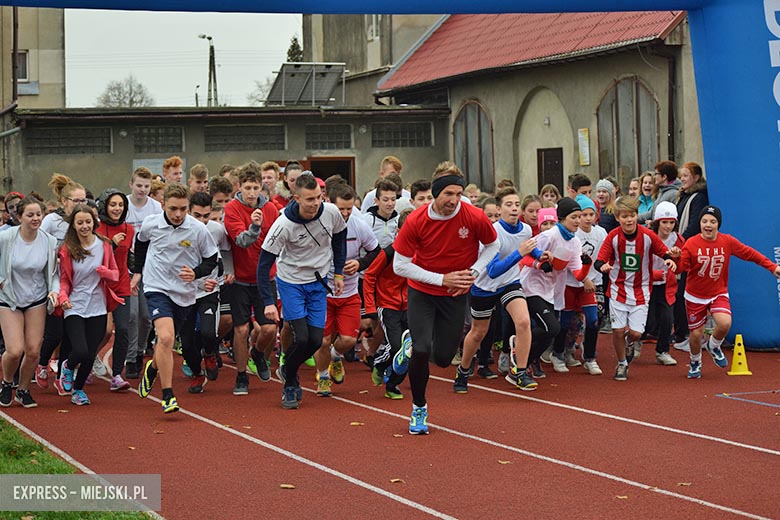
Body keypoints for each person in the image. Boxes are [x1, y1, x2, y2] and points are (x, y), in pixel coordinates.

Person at [392, 162, 499, 435]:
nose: (454, 200)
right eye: (448, 194)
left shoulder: (473, 216)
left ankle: (409, 346)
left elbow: (493, 245)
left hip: (455, 294)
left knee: (442, 358)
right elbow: (400, 266)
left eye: (458, 194)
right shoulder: (417, 220)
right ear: (436, 194)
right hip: (423, 292)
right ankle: (419, 407)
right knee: (422, 349)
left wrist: (473, 272)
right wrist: (441, 279)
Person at [257, 173, 347, 409]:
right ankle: (290, 383)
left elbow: (339, 239)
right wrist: (268, 301)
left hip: (318, 283)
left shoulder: (331, 212)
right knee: (302, 336)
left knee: (316, 340)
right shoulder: (282, 225)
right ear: (296, 198)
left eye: (318, 197)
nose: (315, 203)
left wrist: (338, 273)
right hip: (292, 283)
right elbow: (264, 264)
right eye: (309, 199)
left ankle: (287, 369)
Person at [132, 182, 219, 413]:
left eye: (183, 209)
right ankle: (168, 396)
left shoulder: (198, 230)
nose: (178, 214)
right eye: (173, 209)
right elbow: (140, 243)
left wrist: (195, 273)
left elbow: (212, 260)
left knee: (165, 341)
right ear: (163, 206)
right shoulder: (152, 224)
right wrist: (138, 272)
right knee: (167, 338)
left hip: (185, 294)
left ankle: (153, 367)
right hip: (156, 287)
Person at [678, 206, 780, 378]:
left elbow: (750, 253)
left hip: (718, 292)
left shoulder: (727, 241)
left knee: (725, 323)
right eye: (704, 221)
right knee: (696, 334)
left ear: (718, 224)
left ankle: (713, 345)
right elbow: (682, 267)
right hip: (695, 295)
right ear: (700, 224)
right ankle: (695, 361)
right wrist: (675, 259)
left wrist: (772, 267)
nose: (708, 225)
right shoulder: (691, 243)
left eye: (712, 221)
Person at [455, 187, 538, 393]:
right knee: (478, 332)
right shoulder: (492, 233)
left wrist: (541, 255)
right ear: (499, 210)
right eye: (508, 205)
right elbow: (492, 271)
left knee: (524, 321)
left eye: (517, 204)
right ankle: (464, 369)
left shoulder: (526, 229)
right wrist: (520, 253)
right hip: (485, 286)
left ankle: (519, 372)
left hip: (510, 283)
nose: (513, 208)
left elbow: (529, 247)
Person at [595, 197, 676, 381]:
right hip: (618, 290)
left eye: (632, 215)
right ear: (618, 218)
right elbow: (600, 260)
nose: (629, 220)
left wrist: (669, 259)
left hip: (641, 291)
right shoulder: (613, 237)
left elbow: (663, 251)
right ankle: (622, 363)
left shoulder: (647, 235)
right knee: (617, 330)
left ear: (636, 216)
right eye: (625, 216)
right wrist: (602, 266)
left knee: (636, 333)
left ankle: (630, 344)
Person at [313, 184, 380, 396]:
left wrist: (360, 264)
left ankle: (335, 357)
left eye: (349, 209)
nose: (344, 214)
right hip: (321, 292)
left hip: (349, 292)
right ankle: (323, 377)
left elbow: (376, 251)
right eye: (341, 209)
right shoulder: (316, 224)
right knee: (322, 340)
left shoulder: (359, 225)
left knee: (349, 340)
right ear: (329, 203)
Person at [223, 162, 279, 395]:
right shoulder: (232, 209)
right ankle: (241, 375)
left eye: (256, 187)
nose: (252, 192)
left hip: (266, 278)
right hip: (241, 279)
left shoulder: (272, 210)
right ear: (240, 187)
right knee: (241, 329)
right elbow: (241, 241)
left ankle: (258, 352)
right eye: (247, 187)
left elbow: (279, 240)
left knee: (269, 329)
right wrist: (255, 227)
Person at [58, 205, 122, 406]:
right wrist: (62, 297)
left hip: (98, 306)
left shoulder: (104, 245)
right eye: (80, 223)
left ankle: (78, 390)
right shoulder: (67, 249)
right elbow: (64, 280)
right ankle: (67, 365)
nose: (84, 226)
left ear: (94, 223)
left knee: (91, 352)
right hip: (74, 305)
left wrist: (105, 272)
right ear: (74, 226)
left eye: (88, 222)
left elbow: (115, 275)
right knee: (80, 350)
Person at [0, 197, 59, 408]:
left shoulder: (49, 241)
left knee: (34, 350)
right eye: (30, 215)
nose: (35, 219)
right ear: (19, 217)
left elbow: (53, 272)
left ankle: (23, 390)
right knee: (15, 350)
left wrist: (54, 291)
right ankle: (7, 383)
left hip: (36, 298)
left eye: (38, 215)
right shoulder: (6, 238)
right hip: (9, 298)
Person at [179, 192, 226, 393]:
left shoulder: (216, 230)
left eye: (206, 216)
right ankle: (197, 373)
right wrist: (198, 284)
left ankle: (209, 353)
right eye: (197, 215)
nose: (203, 221)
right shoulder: (178, 232)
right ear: (188, 211)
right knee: (187, 343)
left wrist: (225, 276)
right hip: (184, 293)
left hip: (209, 291)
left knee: (208, 332)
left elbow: (226, 253)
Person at [125, 167, 162, 379]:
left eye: (146, 186)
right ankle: (131, 359)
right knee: (132, 314)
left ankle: (140, 351)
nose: (142, 190)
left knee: (147, 317)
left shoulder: (156, 207)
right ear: (131, 184)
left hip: (149, 266)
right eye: (139, 185)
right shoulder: (125, 205)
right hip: (128, 266)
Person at [95, 189, 134, 390]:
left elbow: (130, 258)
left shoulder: (129, 229)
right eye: (113, 204)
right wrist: (112, 245)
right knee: (101, 331)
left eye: (120, 204)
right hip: (99, 286)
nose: (117, 208)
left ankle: (117, 374)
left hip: (122, 284)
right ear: (104, 206)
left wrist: (136, 278)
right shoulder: (95, 228)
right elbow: (96, 259)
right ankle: (86, 361)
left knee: (123, 329)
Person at [673, 162, 709, 350]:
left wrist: (680, 241)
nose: (682, 179)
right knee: (679, 293)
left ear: (695, 177)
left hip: (692, 251)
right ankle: (685, 333)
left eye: (686, 175)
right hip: (682, 249)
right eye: (681, 175)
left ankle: (693, 334)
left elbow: (694, 224)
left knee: (685, 293)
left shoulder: (699, 198)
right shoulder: (683, 196)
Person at [644, 201, 684, 366]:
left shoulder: (679, 240)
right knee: (647, 321)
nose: (668, 226)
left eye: (671, 222)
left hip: (667, 286)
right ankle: (634, 341)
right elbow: (639, 263)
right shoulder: (646, 237)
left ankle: (662, 351)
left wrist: (678, 258)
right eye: (664, 222)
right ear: (657, 222)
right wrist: (654, 274)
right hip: (646, 284)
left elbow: (681, 268)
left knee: (667, 318)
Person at [363, 179, 399, 249]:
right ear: (376, 201)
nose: (390, 204)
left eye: (393, 199)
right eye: (385, 200)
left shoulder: (398, 220)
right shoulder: (366, 220)